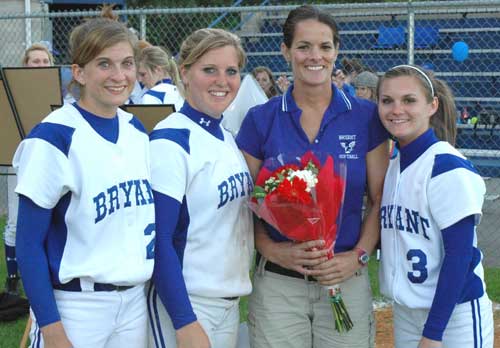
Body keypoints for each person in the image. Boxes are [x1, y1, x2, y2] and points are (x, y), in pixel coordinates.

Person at [236, 5, 389, 348]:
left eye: (324, 47)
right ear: (286, 51)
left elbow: (379, 199)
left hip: (345, 278)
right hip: (279, 284)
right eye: (304, 46)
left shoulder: (365, 117)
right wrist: (273, 250)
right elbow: (249, 204)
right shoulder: (261, 119)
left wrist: (359, 255)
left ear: (336, 51)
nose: (314, 56)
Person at [14, 13, 155, 348]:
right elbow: (29, 243)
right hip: (75, 305)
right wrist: (50, 326)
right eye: (104, 64)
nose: (119, 75)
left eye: (127, 63)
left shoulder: (136, 131)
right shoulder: (53, 136)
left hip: (133, 299)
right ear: (78, 71)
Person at [148, 28, 254, 348]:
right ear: (184, 72)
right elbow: (159, 240)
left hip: (228, 302)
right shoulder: (170, 140)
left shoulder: (226, 138)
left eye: (231, 71)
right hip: (188, 303)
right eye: (209, 70)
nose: (222, 81)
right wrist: (184, 320)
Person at [377, 64, 494, 348]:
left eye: (409, 100)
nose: (396, 109)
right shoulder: (394, 163)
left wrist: (433, 333)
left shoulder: (446, 166)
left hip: (454, 315)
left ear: (432, 106)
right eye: (387, 101)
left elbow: (459, 256)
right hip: (406, 312)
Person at [0, 42, 55, 308]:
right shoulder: (12, 94)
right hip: (18, 159)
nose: (41, 65)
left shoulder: (60, 94)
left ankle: (47, 272)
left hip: (48, 162)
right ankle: (12, 278)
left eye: (45, 61)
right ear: (25, 65)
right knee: (15, 221)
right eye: (35, 61)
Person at [137, 45, 184, 110]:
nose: (139, 80)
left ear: (158, 70)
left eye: (143, 74)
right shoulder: (184, 91)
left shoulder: (152, 96)